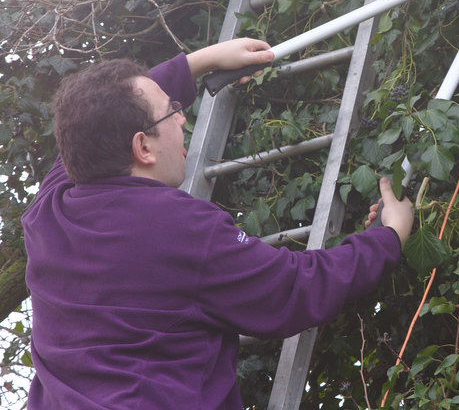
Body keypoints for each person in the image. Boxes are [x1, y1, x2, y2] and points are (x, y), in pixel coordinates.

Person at [21, 38, 414, 409]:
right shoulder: (179, 228)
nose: (182, 120)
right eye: (173, 112)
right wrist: (388, 236)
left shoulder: (48, 213)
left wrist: (202, 60)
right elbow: (295, 289)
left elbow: (94, 119)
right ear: (142, 147)